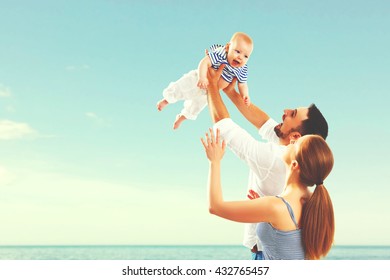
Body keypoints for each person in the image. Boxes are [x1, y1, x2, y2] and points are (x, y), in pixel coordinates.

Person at [205, 65, 329, 259]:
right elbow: (264, 123)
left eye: (293, 114)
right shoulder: (307, 187)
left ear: (295, 138)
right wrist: (230, 91)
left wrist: (211, 85)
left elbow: (225, 127)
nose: (285, 111)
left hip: (266, 254)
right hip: (274, 244)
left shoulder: (275, 159)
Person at [201, 128, 335, 260]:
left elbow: (215, 207)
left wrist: (214, 161)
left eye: (296, 143)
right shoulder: (314, 203)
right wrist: (265, 212)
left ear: (294, 165)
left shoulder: (276, 207)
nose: (292, 140)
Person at [157, 32, 253, 129]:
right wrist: (202, 77)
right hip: (199, 79)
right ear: (228, 47)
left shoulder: (242, 68)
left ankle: (181, 118)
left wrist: (245, 95)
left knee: (196, 107)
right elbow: (205, 62)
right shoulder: (221, 54)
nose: (240, 57)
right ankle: (167, 100)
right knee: (182, 87)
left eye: (246, 56)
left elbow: (242, 84)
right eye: (237, 51)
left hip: (209, 92)